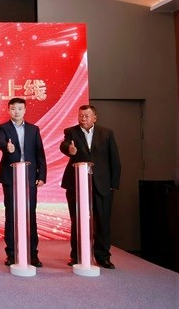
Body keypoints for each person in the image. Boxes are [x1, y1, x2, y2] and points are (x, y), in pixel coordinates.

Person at [60, 104, 121, 269]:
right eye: (80, 116)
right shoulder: (71, 131)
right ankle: (77, 255)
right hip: (76, 183)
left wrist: (113, 184)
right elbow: (64, 145)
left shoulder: (106, 133)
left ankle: (103, 256)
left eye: (87, 116)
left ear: (95, 117)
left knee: (103, 221)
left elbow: (114, 159)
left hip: (102, 184)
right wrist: (69, 149)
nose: (83, 119)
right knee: (77, 220)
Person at [0, 98, 47, 267]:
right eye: (13, 108)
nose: (16, 111)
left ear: (25, 110)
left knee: (30, 214)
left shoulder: (33, 129)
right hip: (10, 177)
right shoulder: (2, 128)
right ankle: (11, 253)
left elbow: (40, 153)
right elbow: (0, 142)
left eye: (19, 108)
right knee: (11, 214)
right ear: (8, 110)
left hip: (29, 177)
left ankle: (33, 254)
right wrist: (7, 147)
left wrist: (42, 175)